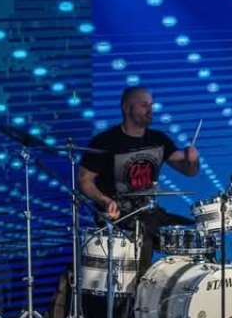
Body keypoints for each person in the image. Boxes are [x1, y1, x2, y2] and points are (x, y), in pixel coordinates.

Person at [78, 86, 200, 272]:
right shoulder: (105, 141)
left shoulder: (158, 139)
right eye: (144, 105)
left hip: (150, 212)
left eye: (151, 105)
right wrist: (104, 200)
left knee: (194, 233)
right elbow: (84, 180)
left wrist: (192, 159)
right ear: (127, 108)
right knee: (144, 235)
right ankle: (141, 286)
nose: (150, 110)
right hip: (119, 215)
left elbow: (189, 171)